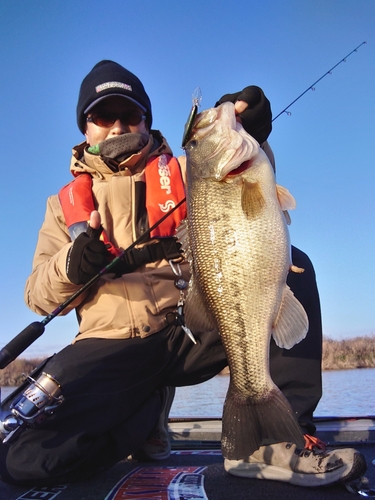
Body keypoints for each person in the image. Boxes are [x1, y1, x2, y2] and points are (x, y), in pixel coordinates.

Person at [0, 60, 366, 487]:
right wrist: (70, 265)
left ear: (146, 120)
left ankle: (280, 439)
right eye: (102, 117)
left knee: (290, 266)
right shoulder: (62, 206)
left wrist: (254, 133)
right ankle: (138, 420)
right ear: (86, 128)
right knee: (21, 460)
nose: (117, 127)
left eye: (130, 115)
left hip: (192, 329)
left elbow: (250, 201)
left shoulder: (188, 170)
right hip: (112, 350)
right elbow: (36, 295)